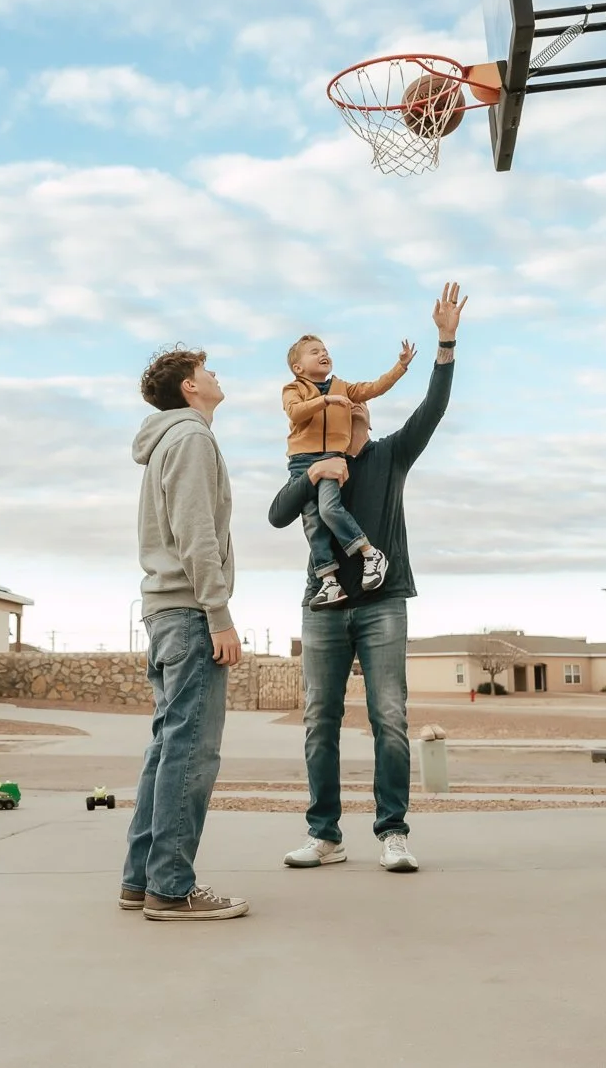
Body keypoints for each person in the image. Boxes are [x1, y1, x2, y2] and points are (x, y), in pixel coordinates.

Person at [269, 282, 466, 875]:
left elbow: (433, 407)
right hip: (323, 607)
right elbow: (278, 514)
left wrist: (445, 341)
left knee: (390, 719)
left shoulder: (390, 455)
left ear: (365, 420)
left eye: (358, 411)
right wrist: (314, 474)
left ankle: (393, 832)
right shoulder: (314, 467)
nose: (350, 414)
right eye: (342, 410)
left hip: (384, 604)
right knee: (318, 721)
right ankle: (324, 834)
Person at [121, 345, 248, 921]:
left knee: (167, 746)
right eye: (208, 370)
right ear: (190, 388)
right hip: (190, 612)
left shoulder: (165, 442)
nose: (216, 374)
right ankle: (170, 887)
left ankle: (139, 879)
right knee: (192, 751)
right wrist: (218, 615)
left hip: (163, 611)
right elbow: (196, 534)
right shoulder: (193, 439)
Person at [280, 333, 413, 607]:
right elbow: (295, 413)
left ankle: (370, 553)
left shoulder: (343, 388)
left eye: (325, 349)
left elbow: (374, 388)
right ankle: (329, 580)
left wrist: (400, 367)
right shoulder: (293, 389)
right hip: (302, 462)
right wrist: (324, 402)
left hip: (331, 458)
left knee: (329, 509)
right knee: (313, 523)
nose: (322, 353)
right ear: (298, 368)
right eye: (314, 351)